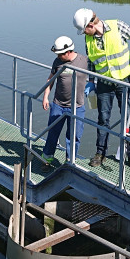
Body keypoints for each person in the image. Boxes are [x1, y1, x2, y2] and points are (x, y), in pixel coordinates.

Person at [73, 8, 130, 170]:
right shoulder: (88, 38)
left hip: (123, 81)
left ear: (91, 24)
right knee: (103, 119)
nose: (84, 33)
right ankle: (100, 154)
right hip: (103, 83)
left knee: (128, 118)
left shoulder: (117, 26)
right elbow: (92, 61)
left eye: (84, 29)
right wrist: (91, 81)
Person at [41, 36, 88, 172]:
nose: (58, 56)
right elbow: (50, 80)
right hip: (58, 105)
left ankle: (70, 161)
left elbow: (99, 70)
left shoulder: (84, 61)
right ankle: (47, 159)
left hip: (77, 106)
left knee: (74, 136)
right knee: (52, 133)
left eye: (60, 54)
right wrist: (45, 97)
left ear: (68, 52)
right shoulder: (57, 62)